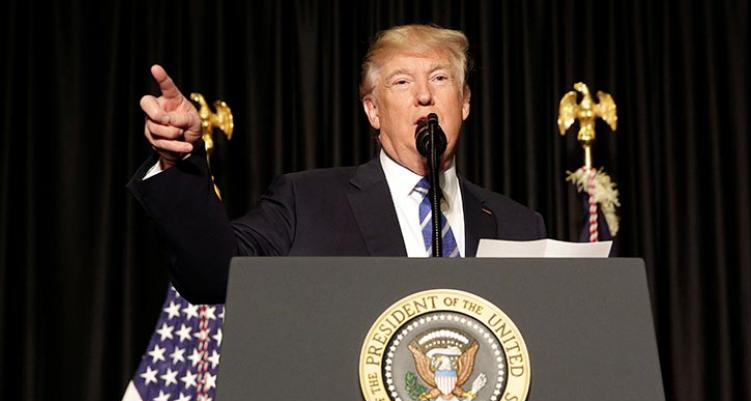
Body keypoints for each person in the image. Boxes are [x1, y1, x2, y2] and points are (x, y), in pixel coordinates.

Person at [129, 24, 546, 304]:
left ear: (465, 102)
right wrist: (179, 160)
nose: (424, 95)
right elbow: (215, 276)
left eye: (440, 78)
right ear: (373, 110)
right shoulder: (306, 202)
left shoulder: (519, 225)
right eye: (402, 82)